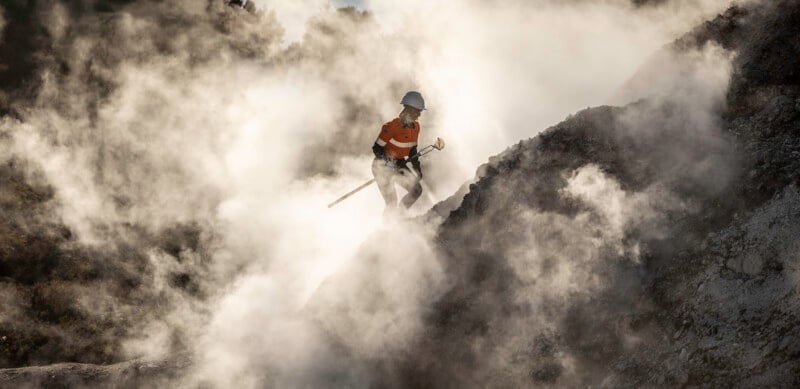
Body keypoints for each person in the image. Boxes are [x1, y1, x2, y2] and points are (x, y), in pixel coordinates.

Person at [372, 91, 426, 216]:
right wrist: (387, 161)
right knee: (391, 202)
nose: (418, 115)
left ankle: (399, 218)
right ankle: (387, 228)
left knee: (416, 190)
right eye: (417, 111)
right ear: (408, 109)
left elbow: (412, 151)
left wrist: (417, 168)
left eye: (419, 112)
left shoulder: (416, 127)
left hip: (399, 164)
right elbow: (377, 148)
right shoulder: (391, 126)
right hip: (382, 167)